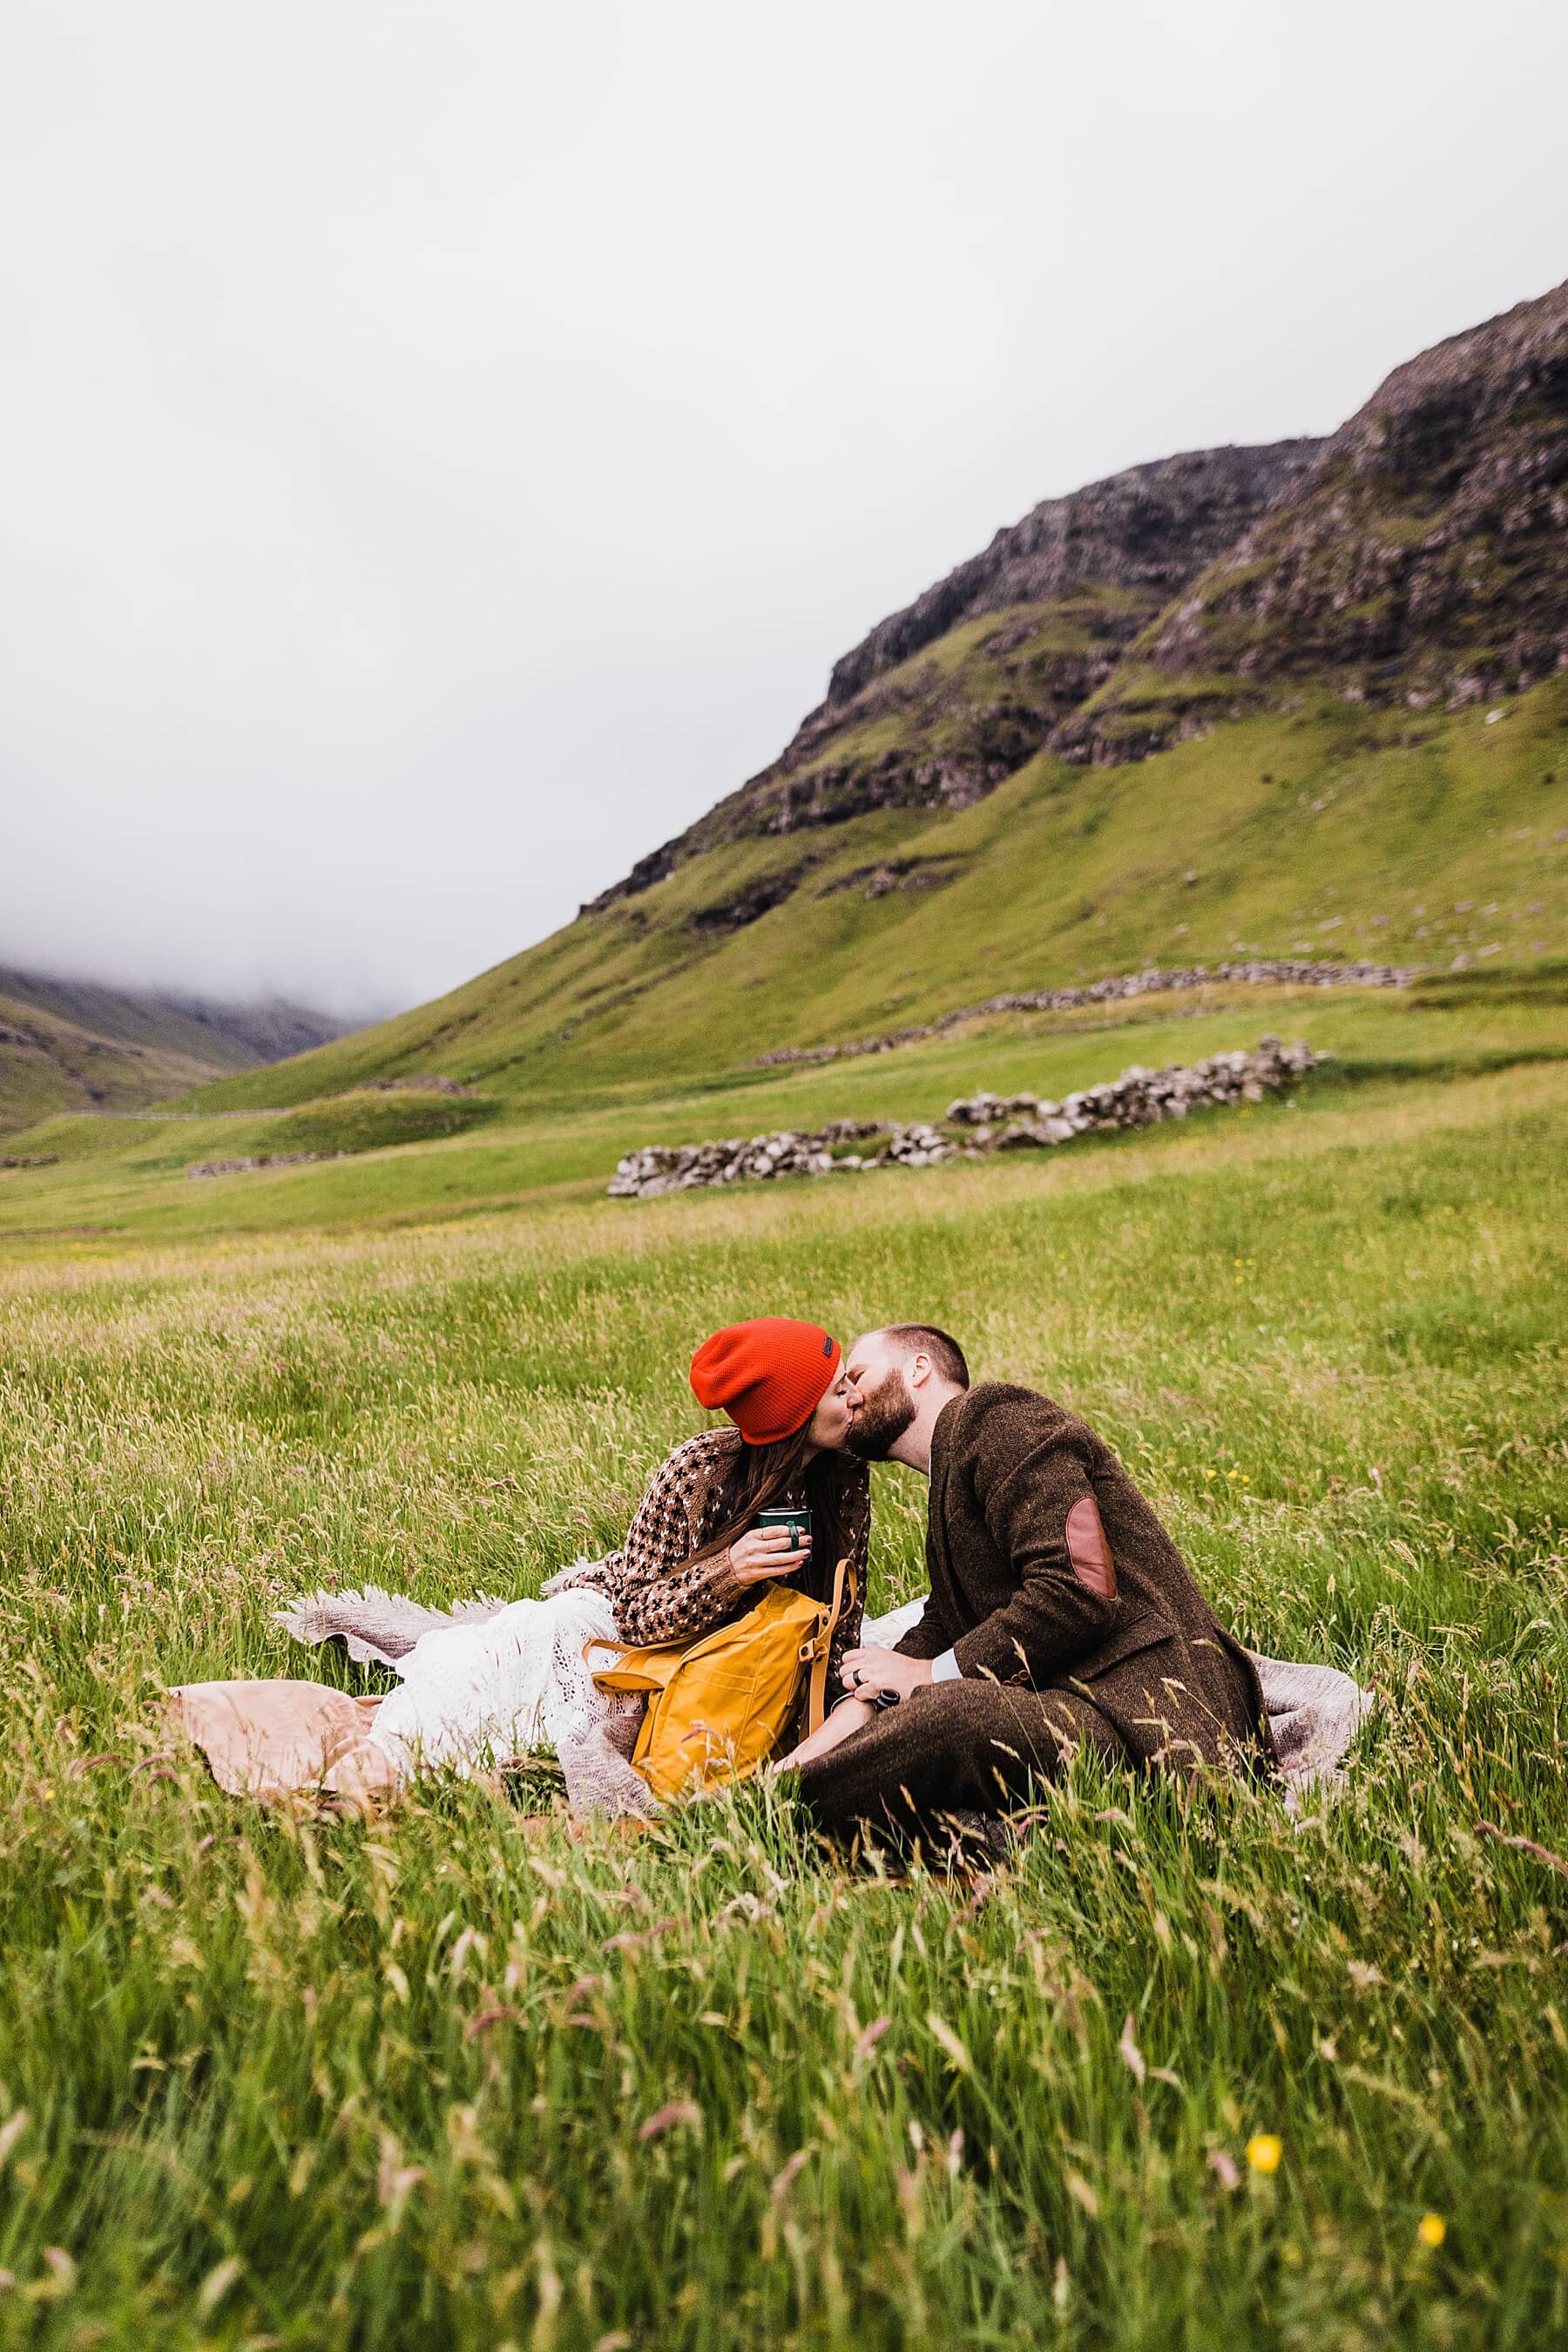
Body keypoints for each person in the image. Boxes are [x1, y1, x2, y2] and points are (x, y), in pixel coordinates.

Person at [172, 1318, 868, 1812]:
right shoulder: (699, 1473)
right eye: (837, 1389)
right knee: (471, 1708)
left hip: (731, 1652)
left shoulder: (844, 1479)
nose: (854, 1397)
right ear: (794, 1414)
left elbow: (846, 1603)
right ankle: (315, 1766)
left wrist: (841, 1694)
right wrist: (729, 1573)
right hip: (607, 1631)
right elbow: (632, 1608)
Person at [781, 1324, 1272, 1850]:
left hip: (1154, 1723)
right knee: (927, 1709)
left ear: (919, 1369)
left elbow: (1080, 1588)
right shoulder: (951, 1471)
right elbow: (947, 1618)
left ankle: (764, 1809)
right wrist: (867, 1699)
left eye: (858, 1376)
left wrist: (928, 1674)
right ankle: (785, 1780)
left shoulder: (997, 1417)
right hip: (1082, 1710)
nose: (849, 1396)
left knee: (947, 1714)